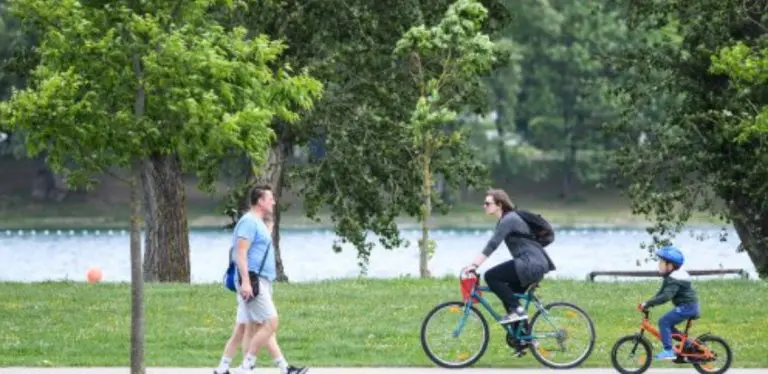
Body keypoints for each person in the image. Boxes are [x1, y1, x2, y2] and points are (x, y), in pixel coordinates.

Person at [213, 212, 308, 374]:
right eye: (270, 226)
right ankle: (262, 366)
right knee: (267, 326)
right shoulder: (257, 240)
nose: (270, 231)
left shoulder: (257, 241)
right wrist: (246, 282)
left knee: (244, 329)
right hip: (253, 284)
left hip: (250, 284)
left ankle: (224, 367)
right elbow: (244, 258)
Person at [463, 189, 555, 325]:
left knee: (491, 276)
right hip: (533, 263)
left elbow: (492, 244)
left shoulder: (509, 219)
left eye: (487, 203)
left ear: (499, 204)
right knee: (508, 296)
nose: (484, 206)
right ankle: (523, 339)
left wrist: (474, 265)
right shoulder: (506, 220)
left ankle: (517, 310)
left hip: (530, 264)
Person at [639, 245, 700, 361]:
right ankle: (688, 345)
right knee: (669, 328)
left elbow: (666, 296)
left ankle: (668, 350)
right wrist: (648, 303)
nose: (659, 265)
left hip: (688, 307)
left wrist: (648, 303)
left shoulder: (675, 278)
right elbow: (660, 294)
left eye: (662, 262)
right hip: (688, 307)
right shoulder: (671, 277)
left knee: (664, 321)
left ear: (670, 265)